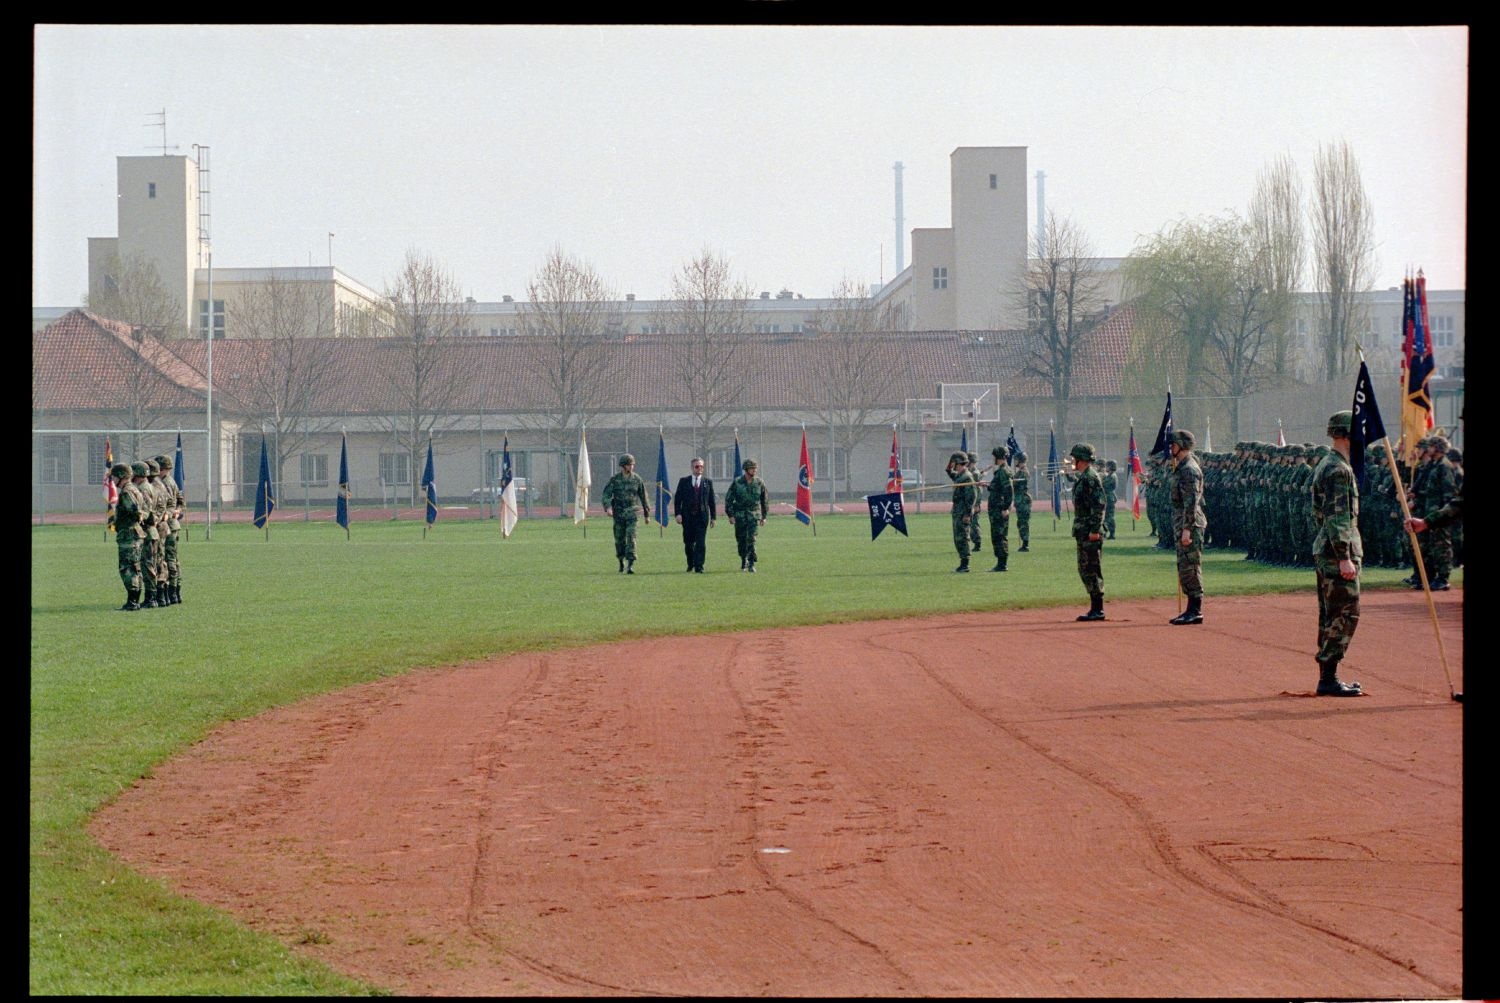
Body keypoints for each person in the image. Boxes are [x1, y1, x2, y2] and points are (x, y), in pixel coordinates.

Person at [1309, 410, 1364, 696]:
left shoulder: (1329, 464)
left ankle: (1327, 676)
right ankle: (1328, 676)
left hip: (1328, 549)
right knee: (1346, 611)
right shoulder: (1338, 470)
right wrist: (1344, 555)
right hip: (1336, 552)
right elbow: (1338, 516)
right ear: (1346, 434)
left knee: (1331, 613)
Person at [1407, 435, 1457, 590]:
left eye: (1431, 446)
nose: (1428, 449)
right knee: (1430, 546)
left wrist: (1443, 513)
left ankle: (1443, 578)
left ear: (1438, 447)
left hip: (1440, 514)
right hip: (1430, 512)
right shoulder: (1433, 465)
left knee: (1441, 545)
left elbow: (1449, 492)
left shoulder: (1444, 466)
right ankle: (1429, 577)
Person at [1167, 430, 1207, 625]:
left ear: (1182, 445)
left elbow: (1191, 503)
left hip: (1189, 524)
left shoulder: (1189, 470)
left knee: (1190, 566)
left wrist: (1187, 529)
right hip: (1183, 523)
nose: (1170, 448)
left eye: (1173, 444)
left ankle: (1195, 610)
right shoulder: (1181, 467)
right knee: (1184, 566)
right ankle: (1190, 609)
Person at [1069, 443, 1107, 620]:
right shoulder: (1084, 477)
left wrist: (1094, 529)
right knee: (1085, 568)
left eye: (1074, 458)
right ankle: (1095, 607)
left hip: (1090, 531)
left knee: (1091, 568)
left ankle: (1097, 609)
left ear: (1081, 459)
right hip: (1083, 530)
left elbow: (1099, 505)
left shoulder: (1090, 477)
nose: (1072, 461)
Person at [601, 453, 649, 574]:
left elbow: (644, 497)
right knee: (619, 539)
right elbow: (606, 494)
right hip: (619, 514)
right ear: (623, 466)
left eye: (632, 464)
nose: (631, 467)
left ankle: (630, 564)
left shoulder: (637, 479)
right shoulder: (615, 480)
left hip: (633, 513)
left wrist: (646, 515)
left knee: (631, 537)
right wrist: (608, 508)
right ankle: (621, 561)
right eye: (629, 464)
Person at [672, 456, 717, 573]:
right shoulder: (683, 482)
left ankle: (699, 566)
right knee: (688, 543)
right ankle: (690, 563)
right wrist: (678, 514)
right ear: (692, 467)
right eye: (697, 466)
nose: (700, 469)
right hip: (687, 517)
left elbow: (711, 501)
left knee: (701, 543)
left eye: (702, 466)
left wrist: (713, 518)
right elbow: (677, 500)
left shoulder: (708, 482)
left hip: (702, 518)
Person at [724, 458, 770, 571]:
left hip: (753, 515)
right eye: (752, 468)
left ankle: (751, 564)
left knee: (752, 539)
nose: (754, 470)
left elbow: (764, 500)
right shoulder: (737, 482)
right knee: (741, 539)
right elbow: (728, 499)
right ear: (746, 469)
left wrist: (764, 517)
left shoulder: (759, 482)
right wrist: (730, 515)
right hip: (739, 516)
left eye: (755, 468)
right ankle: (743, 559)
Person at [111, 462, 145, 610]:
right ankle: (134, 600)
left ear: (121, 477)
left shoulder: (127, 492)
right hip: (133, 533)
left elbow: (135, 511)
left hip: (129, 534)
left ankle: (132, 602)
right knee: (134, 567)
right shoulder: (134, 489)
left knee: (127, 568)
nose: (112, 480)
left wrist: (135, 517)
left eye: (114, 477)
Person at [154, 454, 184, 604]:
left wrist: (171, 513)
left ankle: (170, 593)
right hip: (173, 523)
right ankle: (175, 592)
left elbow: (170, 505)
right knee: (172, 559)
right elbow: (180, 501)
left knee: (166, 559)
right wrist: (177, 511)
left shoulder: (163, 484)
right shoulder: (172, 482)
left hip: (168, 525)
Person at [945, 451, 978, 572]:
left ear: (958, 463)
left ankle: (965, 564)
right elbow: (949, 472)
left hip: (963, 513)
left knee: (963, 537)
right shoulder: (960, 475)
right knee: (958, 538)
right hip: (957, 512)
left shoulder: (967, 477)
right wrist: (950, 463)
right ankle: (962, 563)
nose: (952, 464)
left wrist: (967, 514)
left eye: (954, 462)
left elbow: (971, 497)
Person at [985, 444, 1013, 572]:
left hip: (999, 508)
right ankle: (1000, 562)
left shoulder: (1003, 472)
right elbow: (998, 488)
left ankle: (1002, 564)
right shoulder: (1000, 471)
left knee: (1000, 535)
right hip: (996, 508)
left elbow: (1008, 490)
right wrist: (989, 486)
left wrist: (1005, 507)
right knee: (996, 535)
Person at [1011, 453, 1032, 552]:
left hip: (1023, 500)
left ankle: (1025, 544)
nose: (1015, 462)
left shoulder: (1023, 472)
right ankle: (1024, 543)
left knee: (1023, 523)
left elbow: (1015, 483)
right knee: (1021, 522)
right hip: (1020, 500)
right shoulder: (1020, 472)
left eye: (1016, 460)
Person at [966, 451, 983, 554]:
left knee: (974, 524)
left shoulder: (975, 473)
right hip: (970, 502)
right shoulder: (971, 472)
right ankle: (974, 542)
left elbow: (978, 490)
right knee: (971, 523)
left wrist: (976, 504)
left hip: (975, 503)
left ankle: (977, 543)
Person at [1101, 460, 1119, 540]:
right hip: (1108, 497)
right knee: (1109, 517)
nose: (1106, 468)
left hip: (1109, 497)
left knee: (1109, 517)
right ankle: (1109, 534)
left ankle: (1109, 533)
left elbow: (1103, 484)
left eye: (1107, 466)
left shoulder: (1112, 476)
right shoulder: (1110, 475)